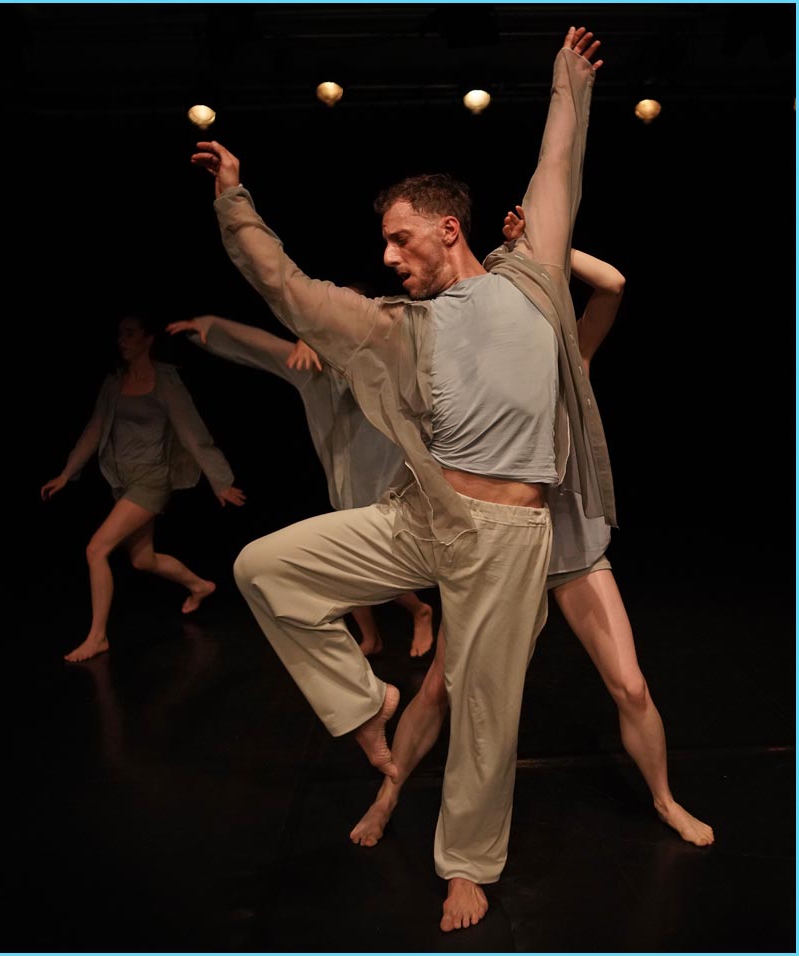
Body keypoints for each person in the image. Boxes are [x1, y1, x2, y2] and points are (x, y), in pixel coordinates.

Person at [190, 26, 610, 932]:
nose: (386, 257)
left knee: (485, 709)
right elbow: (290, 289)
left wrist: (567, 82)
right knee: (264, 568)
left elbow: (556, 166)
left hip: (509, 538)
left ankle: (466, 866)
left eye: (398, 239)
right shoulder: (398, 326)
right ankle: (363, 700)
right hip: (425, 514)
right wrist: (234, 200)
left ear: (446, 229)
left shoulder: (533, 277)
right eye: (384, 245)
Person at [349, 207, 715, 853]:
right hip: (496, 547)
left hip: (568, 545)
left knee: (630, 685)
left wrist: (537, 247)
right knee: (438, 689)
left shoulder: (568, 356)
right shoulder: (474, 369)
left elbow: (612, 283)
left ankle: (664, 800)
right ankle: (386, 797)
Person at [165, 295, 436, 658]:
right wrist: (210, 327)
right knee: (345, 563)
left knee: (375, 558)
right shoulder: (314, 369)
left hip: (386, 478)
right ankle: (371, 636)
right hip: (344, 482)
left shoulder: (384, 360)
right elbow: (263, 348)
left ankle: (419, 610)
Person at [41, 312, 246, 663]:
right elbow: (95, 429)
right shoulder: (115, 381)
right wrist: (66, 473)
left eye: (130, 334)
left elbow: (192, 433)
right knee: (142, 559)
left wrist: (221, 481)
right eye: (120, 334)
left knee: (96, 550)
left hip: (151, 479)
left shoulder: (165, 382)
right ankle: (199, 585)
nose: (122, 340)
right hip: (122, 479)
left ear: (148, 339)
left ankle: (97, 637)